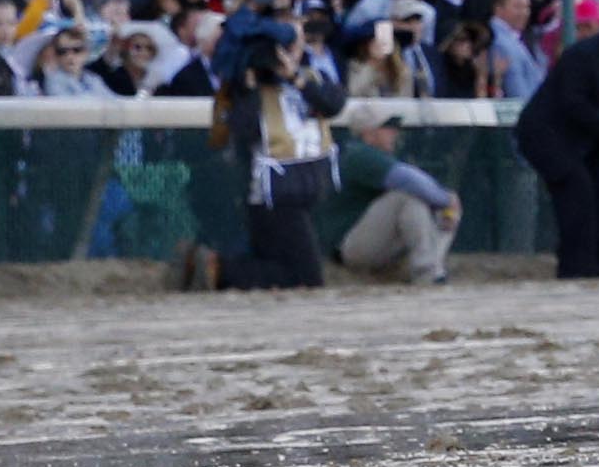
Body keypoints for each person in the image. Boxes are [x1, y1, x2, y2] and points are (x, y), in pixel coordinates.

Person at [185, 28, 343, 292]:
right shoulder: (249, 89)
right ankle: (219, 268)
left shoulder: (314, 76)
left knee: (282, 266)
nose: (283, 56)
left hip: (306, 186)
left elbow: (334, 104)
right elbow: (243, 132)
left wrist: (295, 78)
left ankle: (212, 264)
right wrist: (248, 87)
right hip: (272, 193)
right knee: (308, 277)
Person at [515, 2, 599, 279]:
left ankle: (598, 264)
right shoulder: (583, 55)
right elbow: (573, 104)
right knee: (576, 193)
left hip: (585, 141)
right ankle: (575, 268)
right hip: (549, 136)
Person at [331, 109, 464, 284]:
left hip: (375, 243)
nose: (394, 133)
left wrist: (446, 203)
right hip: (350, 247)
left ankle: (430, 267)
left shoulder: (369, 153)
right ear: (369, 132)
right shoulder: (358, 153)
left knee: (435, 203)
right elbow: (406, 179)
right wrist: (447, 200)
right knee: (408, 197)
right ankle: (427, 273)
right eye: (387, 128)